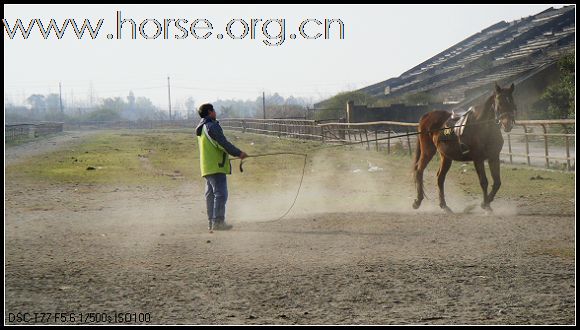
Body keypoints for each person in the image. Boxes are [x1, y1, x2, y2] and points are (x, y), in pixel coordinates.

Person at [195, 103, 247, 231]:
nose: (215, 112)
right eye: (213, 110)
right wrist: (238, 153)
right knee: (221, 194)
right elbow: (223, 143)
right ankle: (218, 222)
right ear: (209, 112)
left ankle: (211, 223)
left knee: (211, 195)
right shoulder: (212, 126)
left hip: (207, 167)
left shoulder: (201, 128)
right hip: (216, 166)